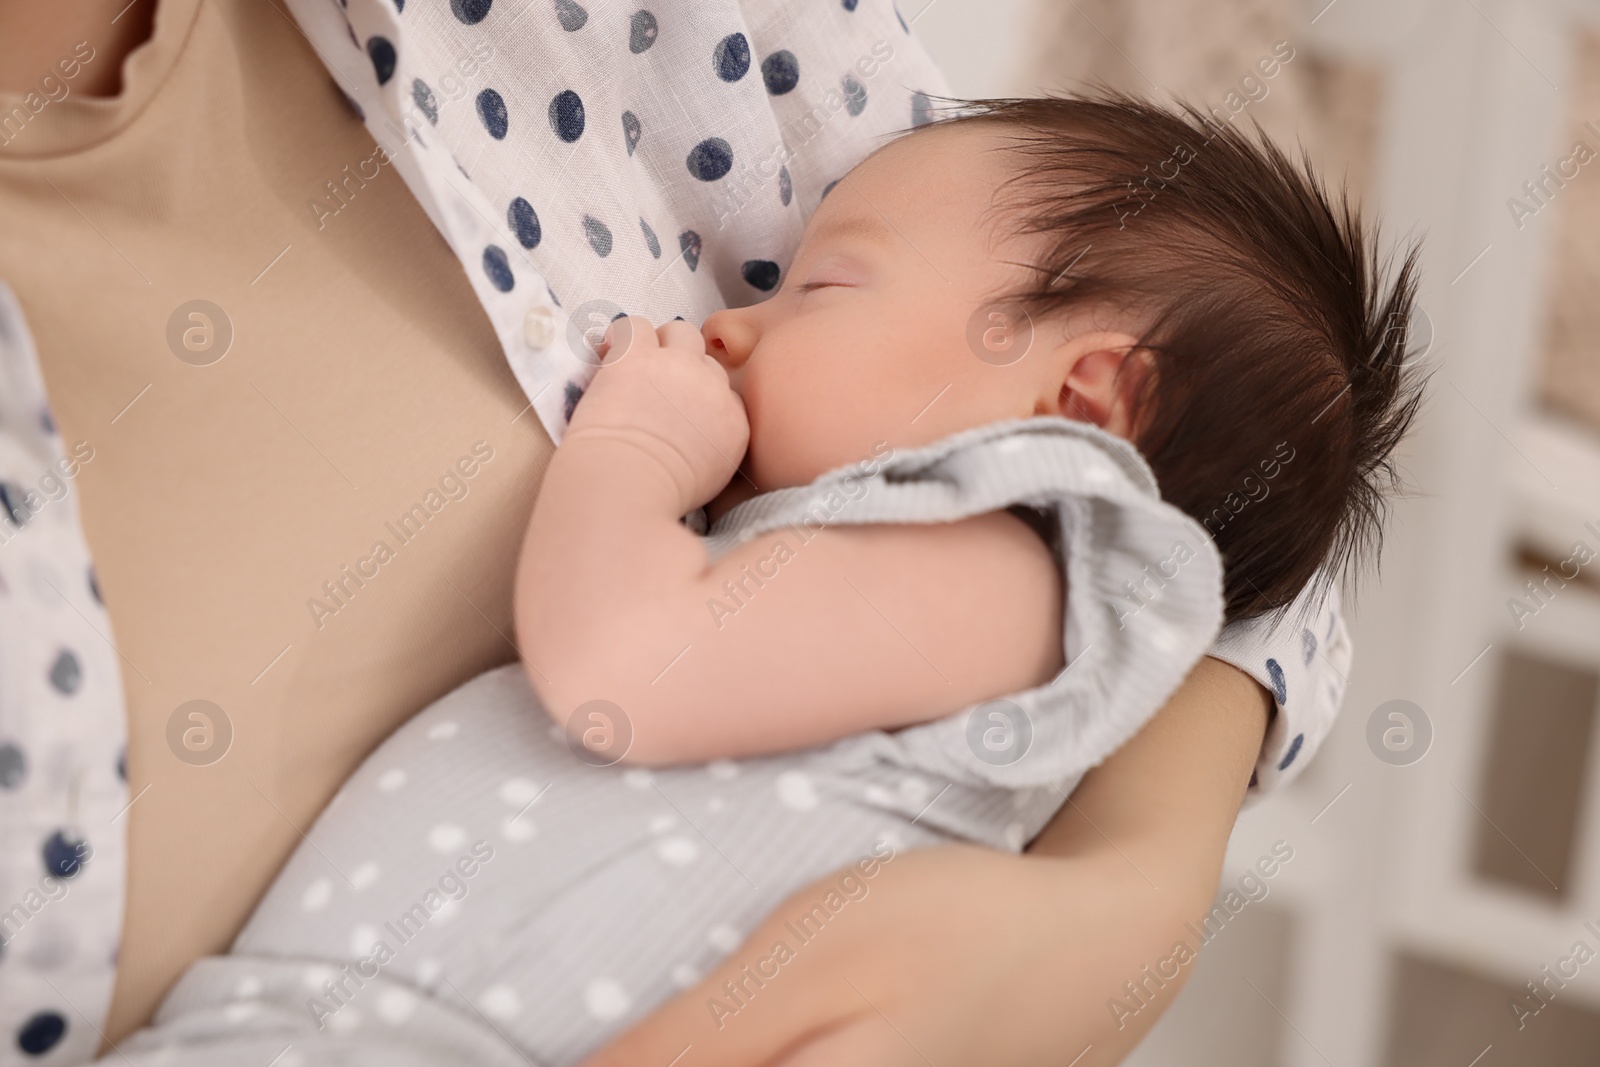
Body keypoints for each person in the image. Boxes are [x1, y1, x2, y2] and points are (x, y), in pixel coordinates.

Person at [0, 2, 1346, 1063]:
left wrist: (632, 455)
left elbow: (622, 674)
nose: (738, 317)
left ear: (1084, 403)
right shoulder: (951, 562)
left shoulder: (995, 574)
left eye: (825, 279)